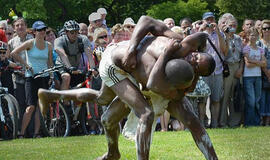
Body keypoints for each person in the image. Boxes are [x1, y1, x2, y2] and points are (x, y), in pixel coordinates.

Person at [39, 16, 218, 160]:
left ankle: (53, 96)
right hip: (115, 64)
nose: (192, 60)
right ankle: (113, 152)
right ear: (191, 51)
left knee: (190, 118)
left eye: (196, 67)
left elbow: (203, 39)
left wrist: (191, 82)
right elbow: (153, 84)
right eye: (194, 58)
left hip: (136, 71)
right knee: (139, 112)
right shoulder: (172, 50)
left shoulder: (190, 53)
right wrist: (133, 48)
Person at [11, 20, 53, 138]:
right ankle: (21, 133)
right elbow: (14, 53)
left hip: (44, 77)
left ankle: (37, 133)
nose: (42, 32)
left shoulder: (49, 46)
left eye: (44, 30)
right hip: (31, 78)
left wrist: (51, 75)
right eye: (39, 30)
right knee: (30, 107)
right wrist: (26, 65)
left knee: (40, 107)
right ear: (34, 32)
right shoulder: (30, 43)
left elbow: (49, 63)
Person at [199, 11, 229, 128]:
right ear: (203, 21)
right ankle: (202, 123)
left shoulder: (220, 34)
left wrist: (217, 31)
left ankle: (215, 123)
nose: (210, 22)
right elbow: (194, 47)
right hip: (204, 71)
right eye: (207, 20)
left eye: (211, 19)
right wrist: (201, 29)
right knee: (202, 100)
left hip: (218, 71)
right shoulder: (201, 34)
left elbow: (225, 51)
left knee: (216, 99)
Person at [8, 17, 34, 134]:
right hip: (18, 78)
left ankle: (32, 130)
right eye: (17, 25)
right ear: (14, 28)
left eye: (22, 24)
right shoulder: (11, 43)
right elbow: (8, 61)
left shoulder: (32, 40)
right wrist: (18, 70)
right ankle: (21, 131)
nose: (20, 27)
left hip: (32, 76)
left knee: (31, 104)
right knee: (20, 105)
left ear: (26, 26)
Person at [54, 20, 94, 90]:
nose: (75, 34)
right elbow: (63, 55)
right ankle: (64, 100)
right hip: (62, 66)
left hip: (76, 67)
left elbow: (89, 54)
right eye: (72, 32)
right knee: (66, 77)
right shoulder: (60, 40)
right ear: (66, 32)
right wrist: (69, 67)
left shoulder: (83, 39)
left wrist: (93, 68)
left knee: (85, 81)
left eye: (76, 31)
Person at [219, 16, 244, 127]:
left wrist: (240, 69)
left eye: (234, 25)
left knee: (236, 95)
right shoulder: (223, 37)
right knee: (225, 96)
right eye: (230, 25)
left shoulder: (239, 38)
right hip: (227, 67)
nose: (232, 27)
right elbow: (224, 52)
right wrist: (227, 37)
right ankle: (223, 122)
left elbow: (242, 56)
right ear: (226, 26)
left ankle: (234, 122)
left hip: (237, 66)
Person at [243, 27, 266, 126]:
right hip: (248, 77)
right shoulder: (246, 48)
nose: (253, 37)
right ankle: (249, 122)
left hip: (258, 77)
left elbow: (264, 64)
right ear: (248, 36)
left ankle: (256, 122)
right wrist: (259, 62)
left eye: (255, 35)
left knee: (257, 101)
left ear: (258, 36)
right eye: (251, 35)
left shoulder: (261, 49)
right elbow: (247, 64)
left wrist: (253, 61)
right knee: (251, 101)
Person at [257, 20, 270, 126]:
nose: (267, 30)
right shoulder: (258, 43)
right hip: (261, 74)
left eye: (269, 28)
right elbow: (258, 59)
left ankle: (268, 122)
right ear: (261, 30)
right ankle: (261, 120)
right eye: (265, 28)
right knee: (262, 98)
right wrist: (267, 72)